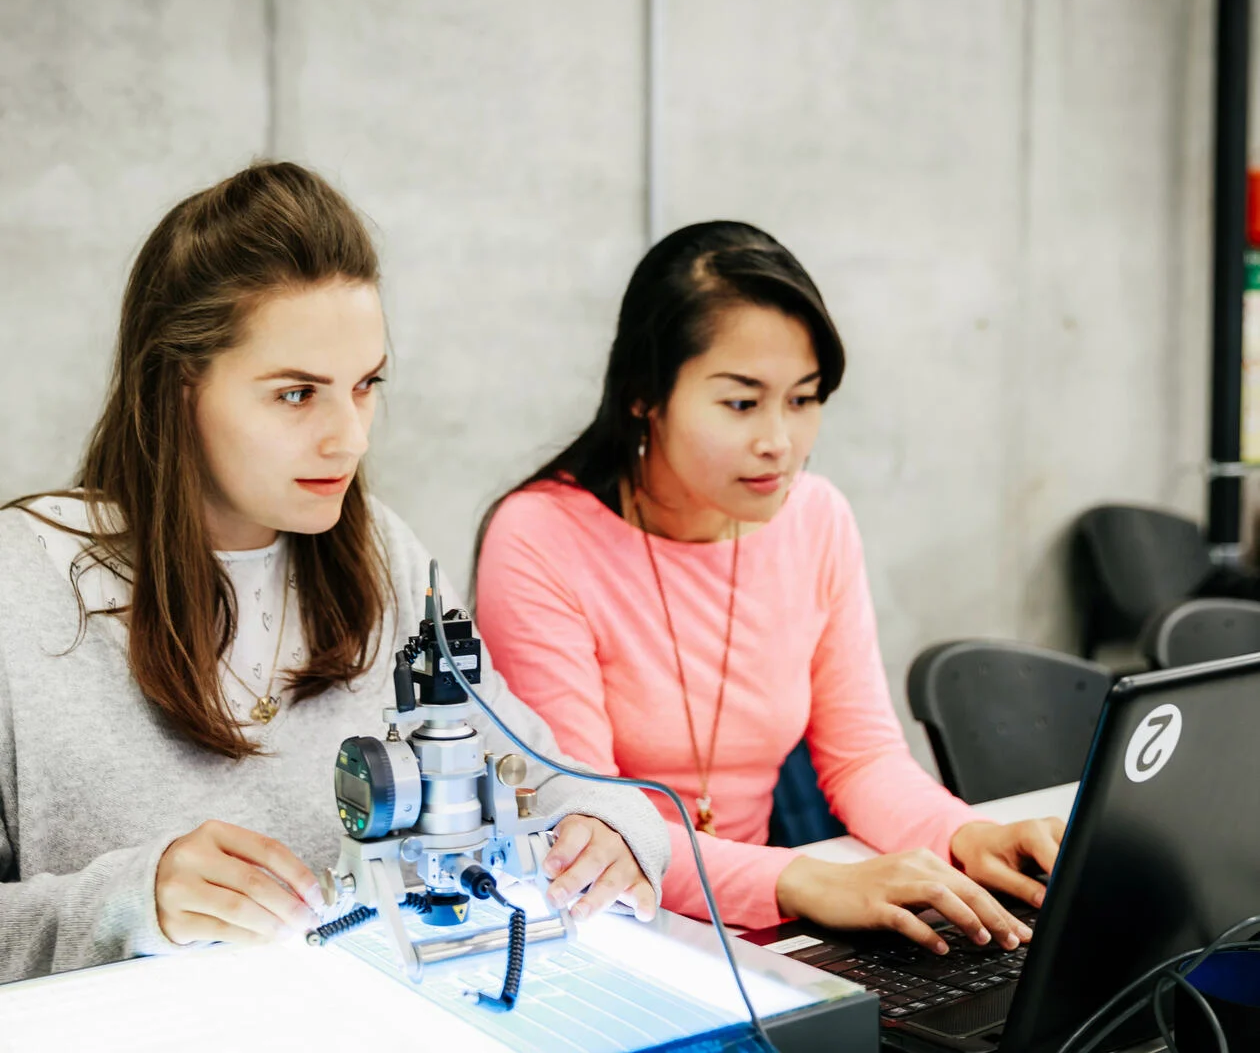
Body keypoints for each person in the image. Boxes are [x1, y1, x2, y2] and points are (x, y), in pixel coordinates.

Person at [0, 162, 668, 984]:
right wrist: (129, 903)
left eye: (365, 385)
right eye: (295, 395)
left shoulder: (382, 552)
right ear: (177, 387)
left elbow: (544, 774)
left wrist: (614, 831)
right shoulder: (20, 592)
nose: (349, 438)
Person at [474, 221, 1063, 953]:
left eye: (804, 399)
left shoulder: (816, 518)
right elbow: (584, 818)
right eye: (742, 403)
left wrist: (967, 834)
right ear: (643, 395)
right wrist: (802, 881)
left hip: (760, 935)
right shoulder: (540, 538)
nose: (780, 442)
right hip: (603, 933)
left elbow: (862, 757)